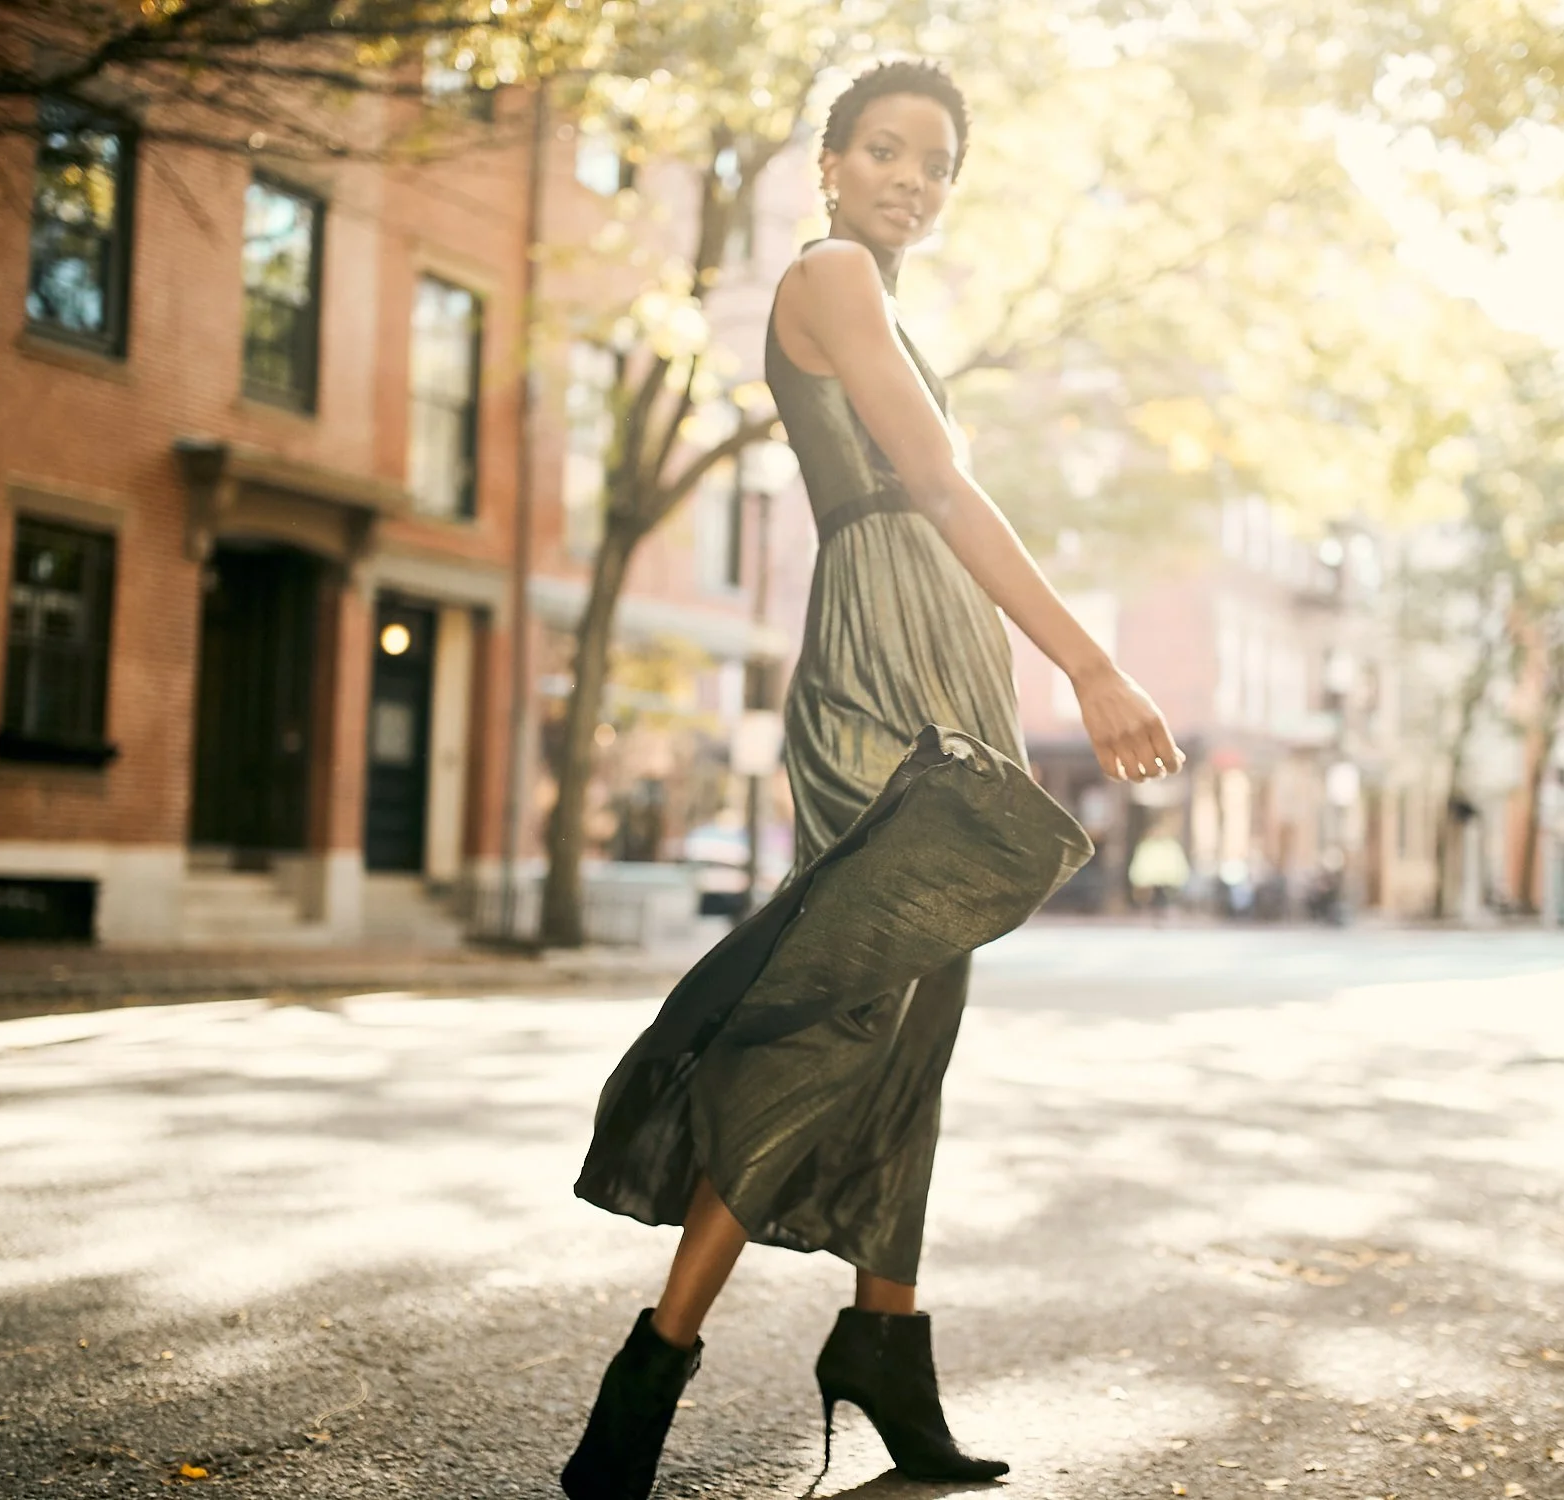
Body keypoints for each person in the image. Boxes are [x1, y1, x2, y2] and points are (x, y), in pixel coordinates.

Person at [559, 60, 1183, 1500]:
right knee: (844, 1007)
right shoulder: (832, 273)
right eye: (886, 150)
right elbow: (939, 487)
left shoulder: (887, 305)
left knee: (920, 1020)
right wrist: (1091, 662)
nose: (911, 178)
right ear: (829, 164)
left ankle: (885, 1342)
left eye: (936, 162)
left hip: (947, 655)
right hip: (876, 666)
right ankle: (648, 1370)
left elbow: (943, 498)